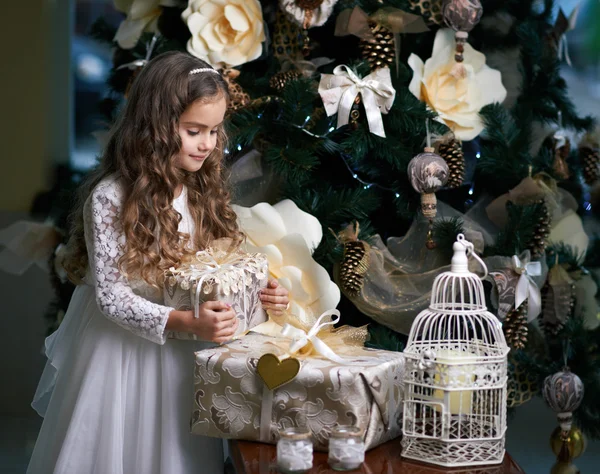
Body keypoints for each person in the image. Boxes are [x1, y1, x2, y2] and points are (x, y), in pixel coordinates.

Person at [27, 51, 290, 474]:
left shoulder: (201, 190)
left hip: (186, 354)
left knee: (176, 455)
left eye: (214, 131)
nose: (207, 144)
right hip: (122, 354)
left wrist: (264, 294)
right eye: (193, 131)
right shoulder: (112, 198)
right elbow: (111, 299)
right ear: (156, 126)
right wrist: (186, 322)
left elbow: (218, 270)